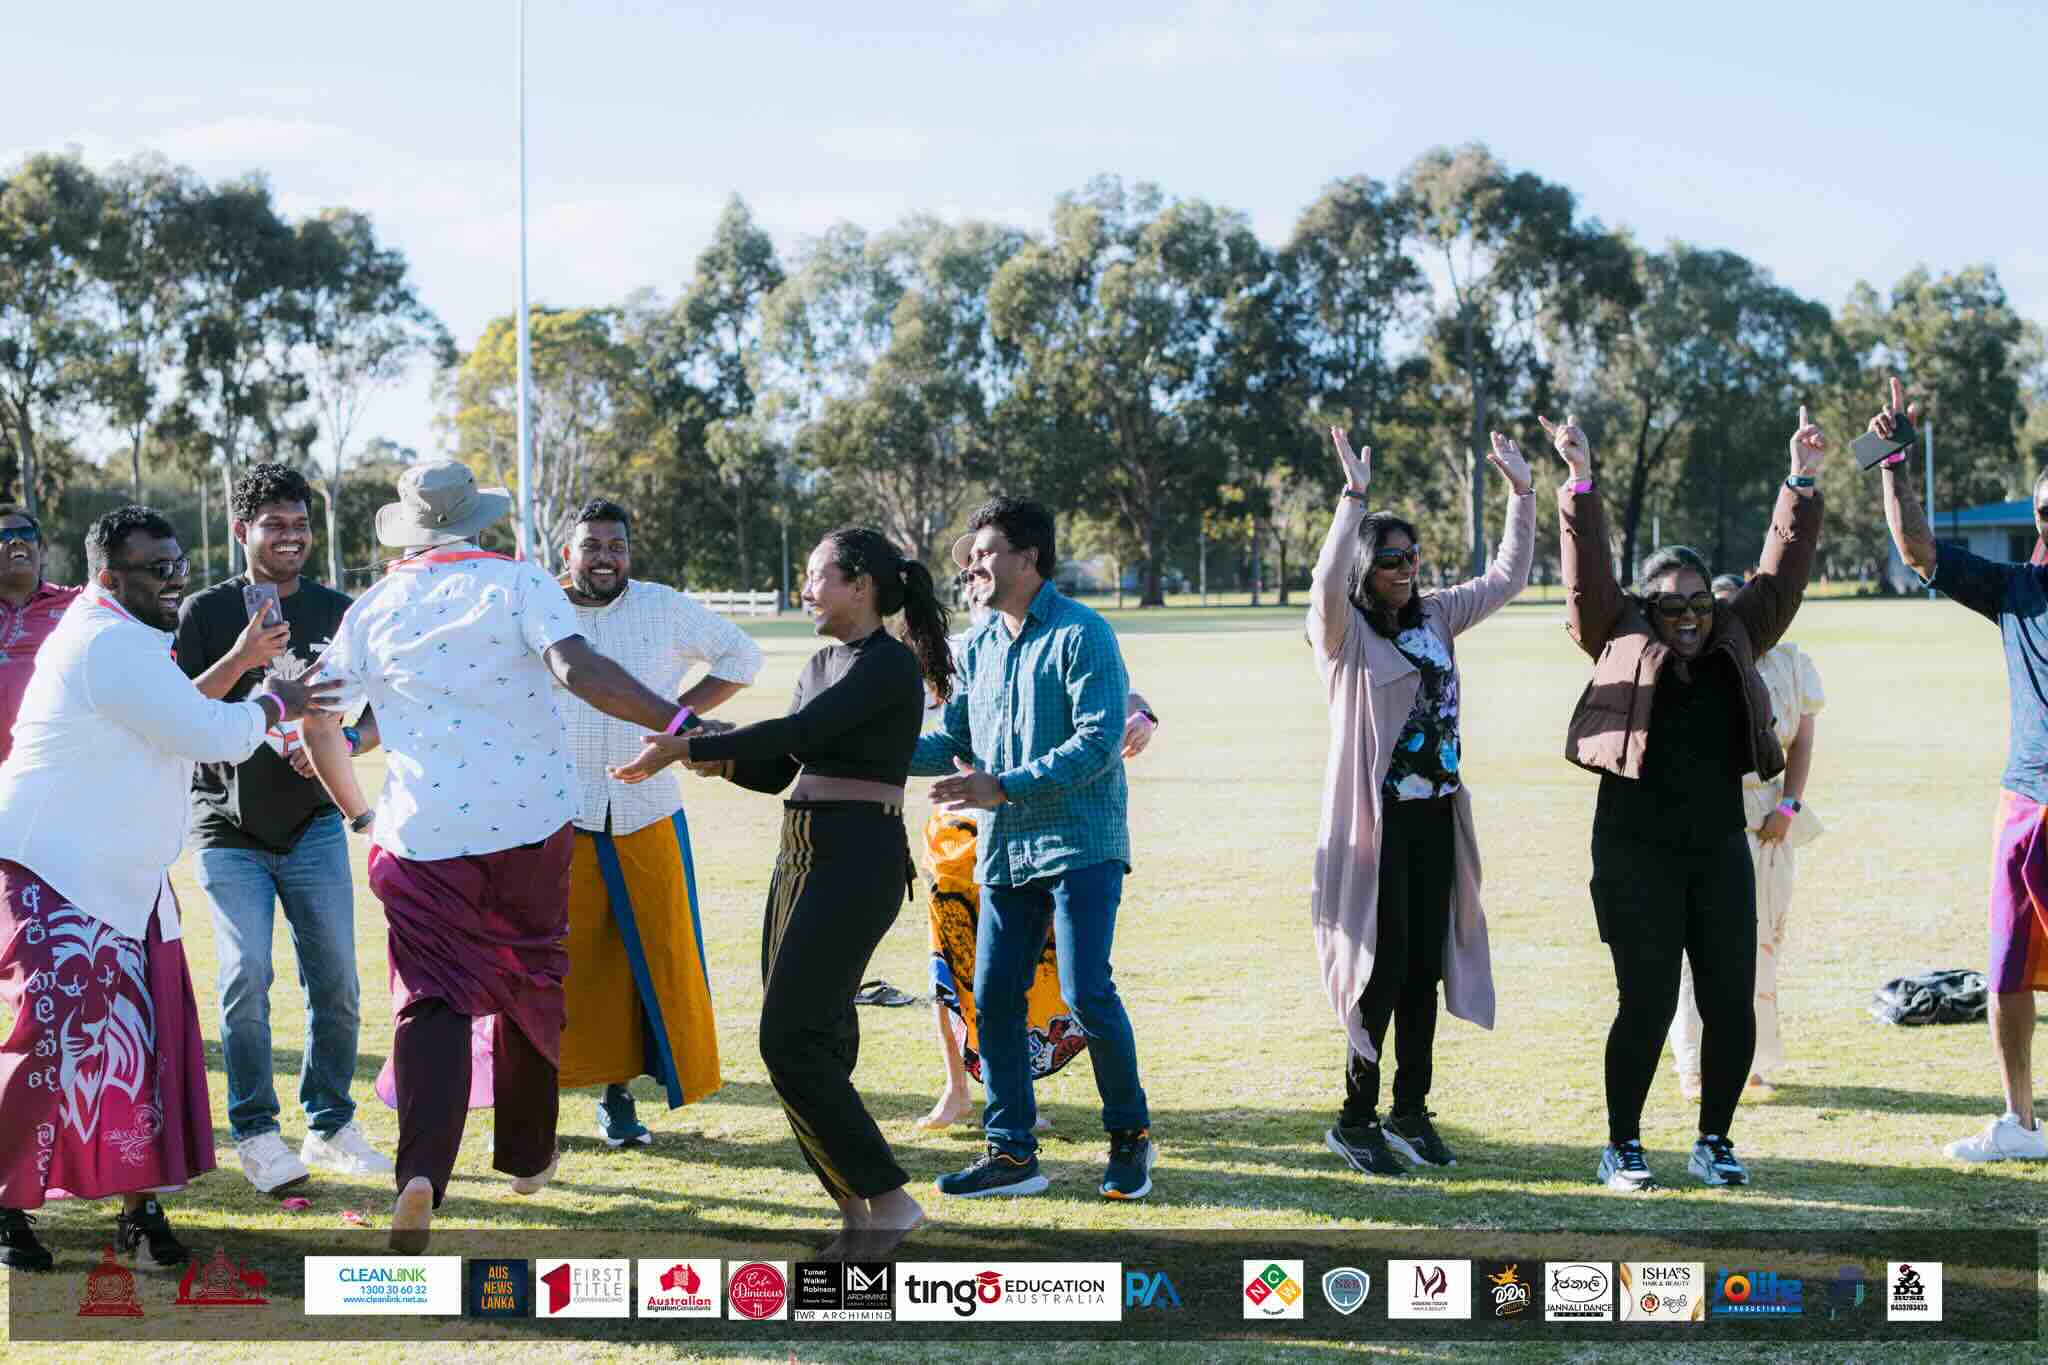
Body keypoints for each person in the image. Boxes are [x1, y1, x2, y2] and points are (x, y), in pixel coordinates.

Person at [301, 460, 701, 1252]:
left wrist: (357, 809)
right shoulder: (519, 584)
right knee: (530, 984)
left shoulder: (374, 606)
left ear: (411, 531)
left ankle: (420, 1173)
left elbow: (319, 722)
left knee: (430, 1002)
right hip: (529, 827)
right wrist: (678, 720)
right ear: (477, 521)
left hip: (419, 836)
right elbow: (579, 670)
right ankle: (525, 1156)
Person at [0, 506, 334, 1272]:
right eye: (158, 569)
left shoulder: (126, 636)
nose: (176, 578)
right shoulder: (105, 639)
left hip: (122, 879)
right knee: (48, 1044)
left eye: (179, 563)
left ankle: (138, 1208)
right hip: (53, 870)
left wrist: (248, 661)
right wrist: (282, 697)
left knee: (142, 1049)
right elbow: (209, 733)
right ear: (109, 577)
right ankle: (6, 1206)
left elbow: (177, 709)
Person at [614, 526, 949, 1258]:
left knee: (786, 1038)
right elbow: (779, 767)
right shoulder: (823, 660)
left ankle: (890, 1200)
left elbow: (806, 728)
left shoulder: (888, 666)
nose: (805, 589)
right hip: (800, 854)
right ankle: (856, 1213)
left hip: (857, 859)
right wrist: (711, 753)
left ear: (859, 583)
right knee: (813, 1040)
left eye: (816, 575)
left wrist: (693, 743)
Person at [1554, 407, 1827, 1192]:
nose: (1686, 619)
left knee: (1729, 1005)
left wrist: (1800, 482)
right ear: (1646, 606)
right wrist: (1580, 481)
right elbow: (1589, 575)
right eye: (1670, 605)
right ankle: (1623, 1145)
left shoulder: (1735, 633)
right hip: (1635, 852)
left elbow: (1781, 576)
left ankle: (1714, 1139)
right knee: (1642, 1004)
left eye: (1698, 604)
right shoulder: (1616, 630)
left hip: (1717, 848)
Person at [908, 496, 1153, 1202]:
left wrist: (1000, 786)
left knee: (1085, 990)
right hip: (1007, 850)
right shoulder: (978, 647)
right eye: (970, 559)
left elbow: (1098, 739)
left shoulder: (1084, 633)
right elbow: (951, 741)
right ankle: (1012, 1151)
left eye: (984, 554)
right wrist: (869, 747)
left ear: (1029, 558)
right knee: (992, 997)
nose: (973, 568)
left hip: (1082, 843)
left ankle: (1130, 1136)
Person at [1310, 427, 1533, 1179]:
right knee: (1381, 967)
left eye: (1412, 557)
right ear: (1367, 571)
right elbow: (1323, 583)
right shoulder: (1342, 639)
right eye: (1391, 561)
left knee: (1424, 973)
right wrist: (1352, 502)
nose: (1406, 570)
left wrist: (1523, 493)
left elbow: (1506, 576)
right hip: (1379, 827)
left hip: (1438, 815)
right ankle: (1354, 1117)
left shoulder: (1437, 614)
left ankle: (1410, 1110)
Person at [172, 463, 390, 1193]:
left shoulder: (342, 609)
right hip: (226, 825)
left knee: (336, 980)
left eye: (300, 523)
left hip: (315, 823)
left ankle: (329, 1122)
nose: (291, 536)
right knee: (246, 977)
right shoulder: (205, 612)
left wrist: (343, 747)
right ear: (243, 531)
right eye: (275, 524)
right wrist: (250, 681)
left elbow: (386, 703)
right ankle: (257, 1131)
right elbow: (181, 714)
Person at [1873, 377, 2048, 1162]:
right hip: (2023, 800)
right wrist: (1892, 463)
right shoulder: (2017, 590)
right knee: (2007, 964)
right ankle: (2020, 1123)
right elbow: (1918, 550)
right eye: (2044, 509)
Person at [552, 497, 761, 1145]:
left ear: (629, 553)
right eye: (592, 546)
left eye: (616, 545)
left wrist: (674, 725)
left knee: (649, 957)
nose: (605, 557)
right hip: (559, 814)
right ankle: (535, 1103)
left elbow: (741, 656)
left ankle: (619, 1099)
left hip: (647, 811)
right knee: (554, 963)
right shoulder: (541, 607)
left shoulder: (663, 605)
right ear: (569, 553)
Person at [1670, 572, 1824, 1103]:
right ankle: (1692, 1063)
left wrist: (1788, 805)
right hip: (1712, 816)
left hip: (1772, 816)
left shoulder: (1791, 662)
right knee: (1701, 945)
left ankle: (1749, 1060)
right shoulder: (1701, 661)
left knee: (1763, 943)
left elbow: (1802, 740)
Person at [0, 506, 80, 769]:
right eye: (3, 535)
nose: (16, 540)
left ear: (43, 551)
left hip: (55, 773)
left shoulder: (80, 605)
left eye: (25, 532)